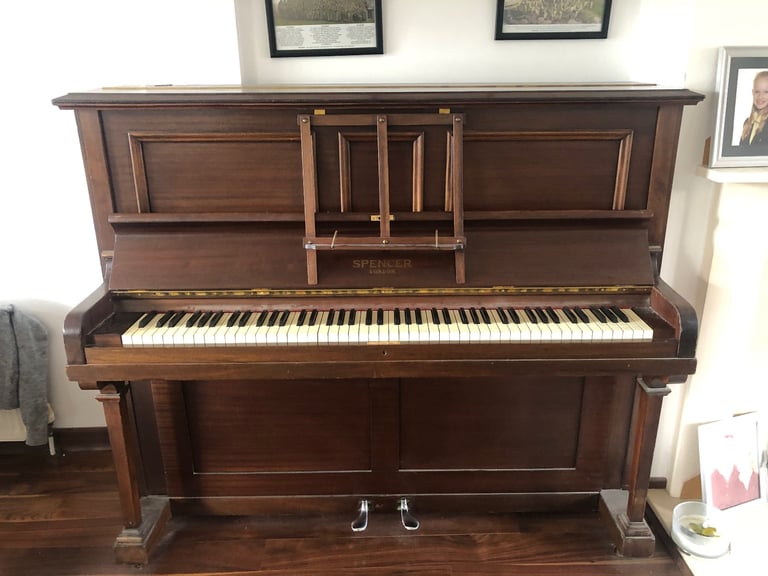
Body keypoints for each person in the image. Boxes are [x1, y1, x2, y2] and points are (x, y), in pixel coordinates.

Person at [739, 70, 768, 146]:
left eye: (766, 92)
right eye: (757, 92)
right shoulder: (747, 123)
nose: (760, 96)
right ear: (752, 92)